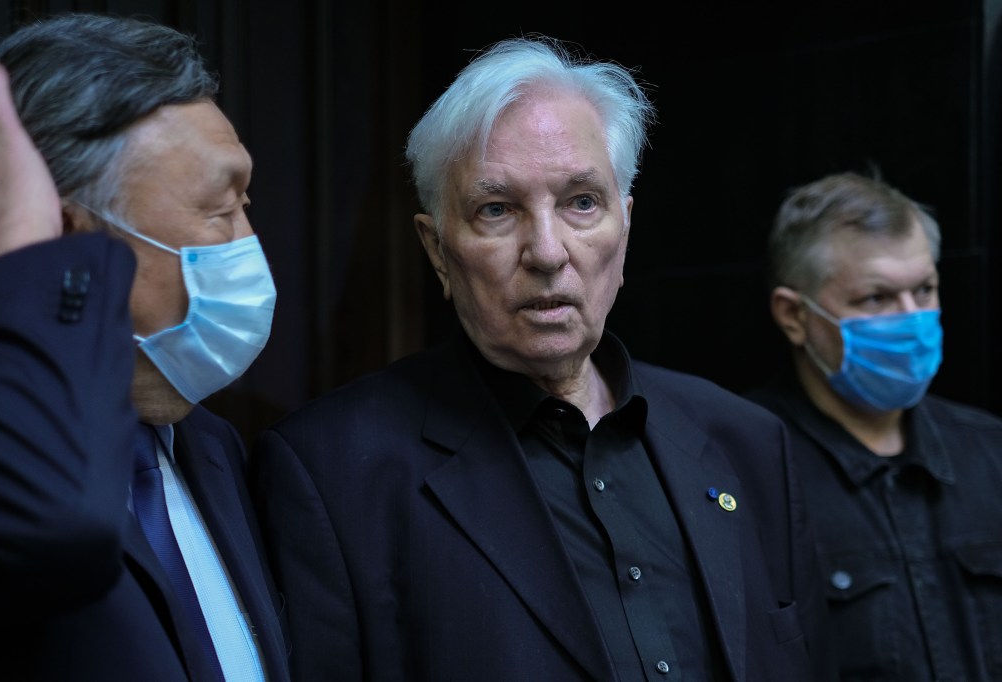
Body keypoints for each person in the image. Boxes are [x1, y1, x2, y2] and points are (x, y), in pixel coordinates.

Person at [251, 35, 829, 681]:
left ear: (625, 227)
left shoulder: (745, 443)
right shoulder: (333, 474)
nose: (548, 252)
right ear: (438, 250)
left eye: (581, 202)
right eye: (497, 210)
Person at [0, 14, 290, 681]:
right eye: (219, 210)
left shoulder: (214, 447)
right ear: (65, 234)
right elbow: (58, 537)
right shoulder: (3, 458)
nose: (249, 246)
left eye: (246, 204)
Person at [745, 170, 1002, 680]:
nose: (912, 319)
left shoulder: (991, 451)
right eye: (876, 298)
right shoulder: (744, 468)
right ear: (794, 315)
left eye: (924, 290)